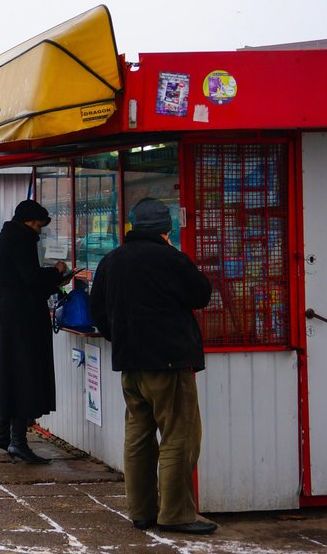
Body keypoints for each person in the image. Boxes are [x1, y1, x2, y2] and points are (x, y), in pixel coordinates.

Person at [90, 198, 215, 535]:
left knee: (138, 436)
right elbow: (201, 294)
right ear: (166, 228)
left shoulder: (112, 260)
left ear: (133, 226)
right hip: (169, 363)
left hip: (131, 364)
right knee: (179, 436)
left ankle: (141, 510)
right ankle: (176, 513)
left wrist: (119, 338)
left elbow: (97, 309)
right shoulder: (171, 259)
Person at [0, 199, 68, 464]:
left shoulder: (8, 236)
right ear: (28, 221)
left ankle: (2, 434)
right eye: (37, 225)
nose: (39, 231)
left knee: (8, 373)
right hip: (19, 318)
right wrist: (56, 273)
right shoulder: (21, 239)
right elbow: (31, 279)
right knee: (24, 374)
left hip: (5, 314)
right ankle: (18, 441)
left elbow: (22, 278)